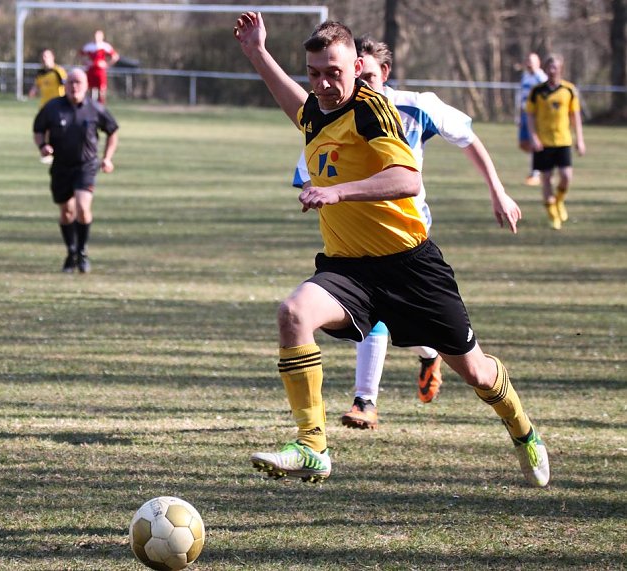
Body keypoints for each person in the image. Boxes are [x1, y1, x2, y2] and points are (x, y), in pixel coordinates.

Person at [233, 12, 549, 487]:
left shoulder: (371, 108)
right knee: (293, 314)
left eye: (333, 72)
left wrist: (338, 192)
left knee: (479, 375)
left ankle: (523, 431)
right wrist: (258, 52)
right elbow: (297, 106)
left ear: (356, 67)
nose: (322, 84)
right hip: (349, 270)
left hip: (411, 268)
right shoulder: (319, 109)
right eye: (314, 73)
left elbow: (408, 178)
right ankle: (312, 445)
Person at [292, 36, 522, 430]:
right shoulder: (333, 114)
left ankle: (432, 356)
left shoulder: (416, 106)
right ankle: (364, 402)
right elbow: (310, 162)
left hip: (411, 240)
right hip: (357, 249)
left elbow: (468, 140)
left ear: (383, 72)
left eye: (364, 76)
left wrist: (498, 191)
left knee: (453, 354)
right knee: (359, 319)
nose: (357, 85)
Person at [32, 68, 119, 274]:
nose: (74, 86)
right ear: (65, 85)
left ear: (87, 85)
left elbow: (113, 131)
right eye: (70, 82)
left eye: (78, 82)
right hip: (60, 166)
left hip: (86, 166)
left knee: (82, 206)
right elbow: (38, 129)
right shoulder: (53, 107)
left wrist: (107, 158)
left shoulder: (95, 108)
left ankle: (82, 251)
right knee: (67, 212)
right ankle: (70, 251)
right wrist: (43, 146)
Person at [526, 54, 586, 230]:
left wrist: (579, 139)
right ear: (545, 69)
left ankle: (558, 201)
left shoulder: (569, 90)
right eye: (549, 67)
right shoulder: (537, 91)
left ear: (561, 69)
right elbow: (529, 115)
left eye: (555, 67)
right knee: (546, 179)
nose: (552, 71)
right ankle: (553, 214)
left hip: (563, 140)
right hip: (543, 142)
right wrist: (533, 136)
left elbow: (575, 116)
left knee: (566, 177)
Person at [517, 53, 548, 186]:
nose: (529, 64)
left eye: (531, 61)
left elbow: (546, 97)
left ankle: (535, 173)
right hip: (524, 113)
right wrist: (518, 115)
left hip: (535, 115)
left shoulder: (541, 78)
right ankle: (542, 165)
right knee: (524, 144)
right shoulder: (525, 76)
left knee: (534, 144)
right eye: (527, 61)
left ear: (538, 63)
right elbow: (520, 96)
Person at [80, 29, 120, 104]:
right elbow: (81, 56)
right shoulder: (89, 46)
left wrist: (107, 64)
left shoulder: (105, 46)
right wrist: (86, 62)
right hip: (91, 70)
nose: (96, 37)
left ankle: (102, 105)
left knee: (102, 89)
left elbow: (115, 57)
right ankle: (91, 104)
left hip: (100, 71)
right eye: (95, 35)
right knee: (90, 88)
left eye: (98, 35)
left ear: (102, 36)